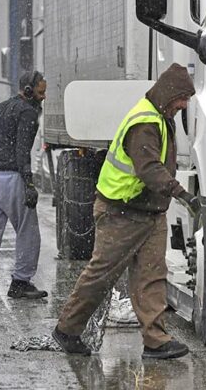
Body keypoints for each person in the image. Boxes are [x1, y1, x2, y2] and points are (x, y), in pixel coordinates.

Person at [52, 63, 198, 359]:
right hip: (121, 212)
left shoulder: (160, 114)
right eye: (182, 98)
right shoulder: (144, 122)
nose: (184, 105)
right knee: (101, 275)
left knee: (152, 275)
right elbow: (149, 170)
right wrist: (182, 194)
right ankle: (67, 330)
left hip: (149, 212)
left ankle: (155, 341)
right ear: (170, 93)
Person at [0, 71, 47, 301]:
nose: (43, 97)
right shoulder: (27, 112)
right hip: (13, 177)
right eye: (40, 92)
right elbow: (22, 150)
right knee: (28, 232)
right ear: (28, 90)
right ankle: (20, 283)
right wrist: (28, 183)